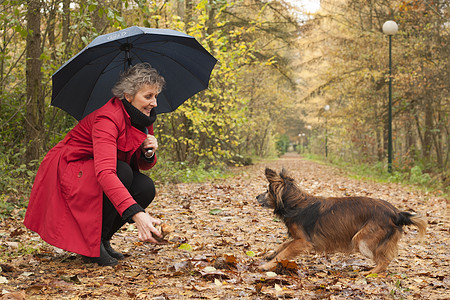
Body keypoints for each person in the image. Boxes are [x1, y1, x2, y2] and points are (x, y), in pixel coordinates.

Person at [24, 63, 166, 266]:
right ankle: (91, 246)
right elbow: (106, 172)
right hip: (68, 167)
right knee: (121, 172)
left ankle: (102, 239)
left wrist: (148, 152)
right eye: (148, 96)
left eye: (156, 96)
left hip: (97, 168)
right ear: (128, 95)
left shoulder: (143, 118)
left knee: (145, 187)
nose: (154, 103)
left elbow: (141, 165)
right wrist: (137, 214)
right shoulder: (107, 118)